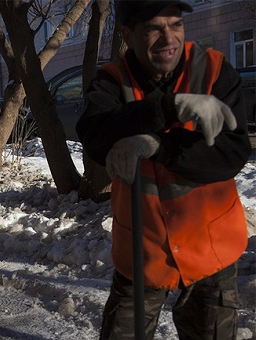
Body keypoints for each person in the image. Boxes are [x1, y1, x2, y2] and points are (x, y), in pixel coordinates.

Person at [76, 1, 252, 339]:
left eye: (175, 24)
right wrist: (167, 108)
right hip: (142, 249)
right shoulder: (112, 81)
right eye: (153, 28)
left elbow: (231, 154)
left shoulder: (214, 71)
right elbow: (94, 134)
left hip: (210, 247)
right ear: (128, 35)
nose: (167, 37)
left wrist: (158, 146)